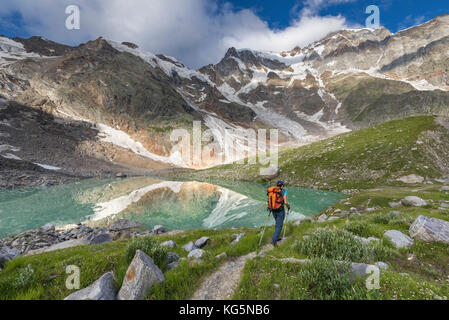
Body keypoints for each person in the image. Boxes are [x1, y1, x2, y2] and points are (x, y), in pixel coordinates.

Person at [271, 180, 290, 246]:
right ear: (282, 185)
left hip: (273, 209)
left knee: (277, 223)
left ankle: (277, 237)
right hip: (280, 210)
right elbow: (285, 202)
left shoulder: (273, 190)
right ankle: (274, 241)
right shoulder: (284, 191)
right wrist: (288, 206)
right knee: (279, 226)